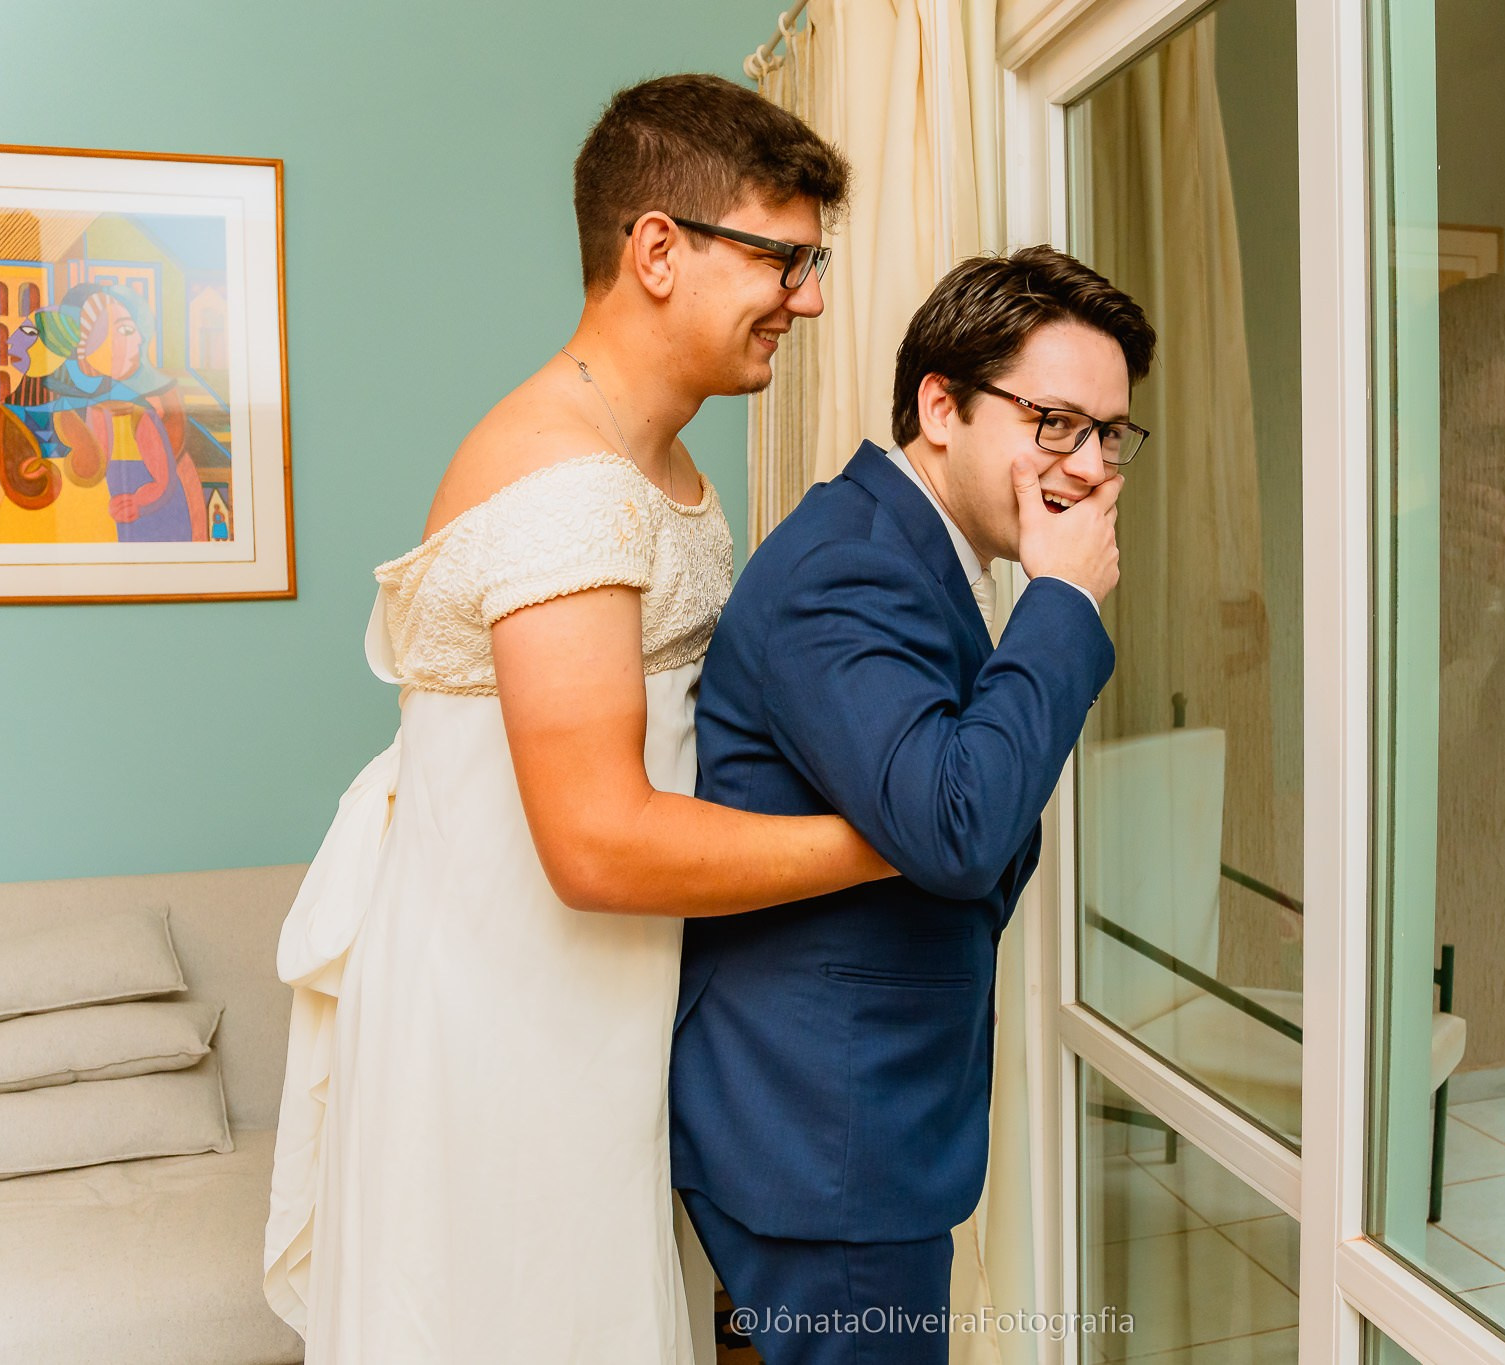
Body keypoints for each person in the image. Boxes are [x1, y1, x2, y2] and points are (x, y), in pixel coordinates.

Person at [261, 73, 887, 1364]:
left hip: (584, 1000)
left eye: (811, 262)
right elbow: (597, 844)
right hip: (510, 1019)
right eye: (782, 259)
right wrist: (888, 845)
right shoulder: (565, 484)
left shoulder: (651, 460)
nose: (808, 298)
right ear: (657, 249)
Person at [670, 245, 1156, 1365]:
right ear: (941, 406)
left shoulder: (909, 551)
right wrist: (1063, 599)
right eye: (1054, 423)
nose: (1088, 467)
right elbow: (954, 825)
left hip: (854, 1113)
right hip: (824, 1132)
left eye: (1108, 433)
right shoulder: (848, 566)